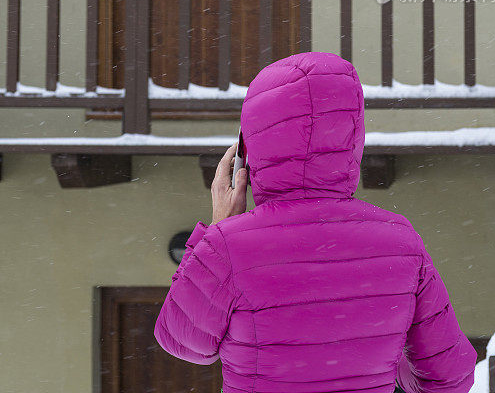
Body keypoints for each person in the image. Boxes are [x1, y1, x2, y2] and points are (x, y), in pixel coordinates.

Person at [154, 51, 478, 393]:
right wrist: (380, 351)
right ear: (351, 136)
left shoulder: (227, 246)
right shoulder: (401, 241)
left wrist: (215, 232)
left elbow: (185, 343)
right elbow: (449, 377)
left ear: (251, 148)